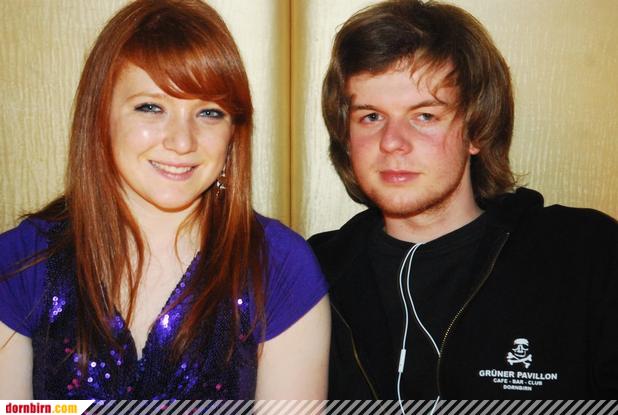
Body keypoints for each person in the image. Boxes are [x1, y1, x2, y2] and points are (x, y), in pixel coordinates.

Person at [0, 0, 329, 400]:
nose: (182, 141)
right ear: (100, 117)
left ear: (233, 133)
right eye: (151, 107)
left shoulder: (279, 267)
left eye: (209, 112)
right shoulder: (20, 262)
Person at [310, 0, 617, 399]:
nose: (392, 142)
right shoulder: (309, 273)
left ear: (477, 130)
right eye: (371, 116)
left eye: (425, 115)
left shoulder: (586, 255)